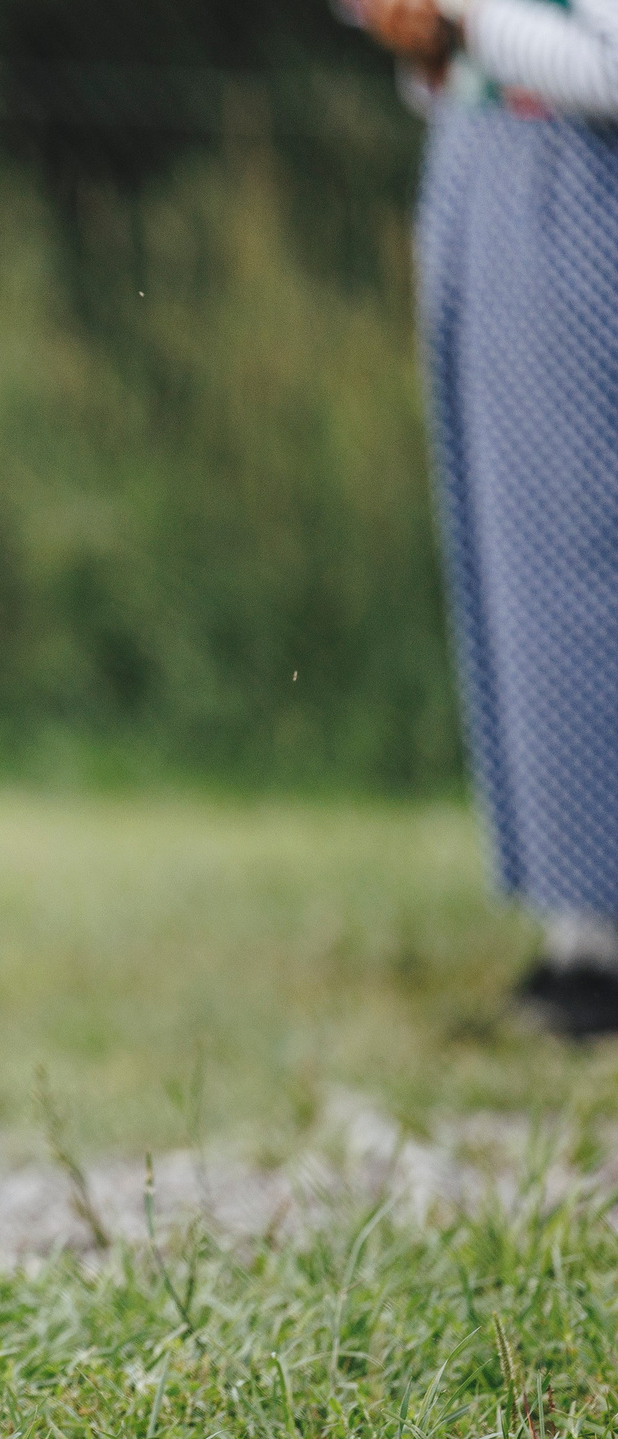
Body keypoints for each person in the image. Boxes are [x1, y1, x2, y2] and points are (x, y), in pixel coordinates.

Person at [358, 0, 618, 1039]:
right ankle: (574, 911)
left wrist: (466, 17)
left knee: (577, 548)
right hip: (481, 167)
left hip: (579, 187)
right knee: (507, 554)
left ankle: (601, 924)